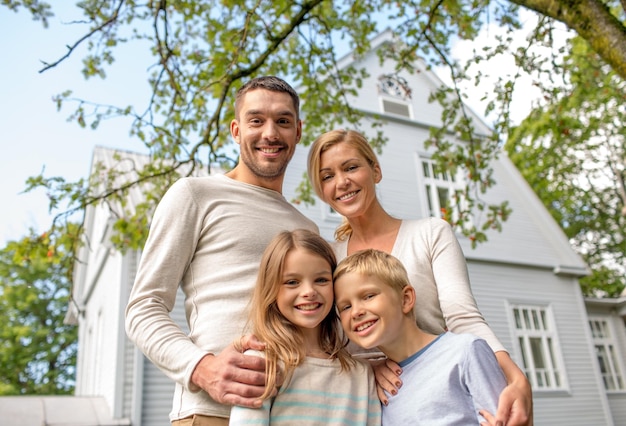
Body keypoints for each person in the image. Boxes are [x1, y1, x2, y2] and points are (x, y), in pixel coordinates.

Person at [125, 76, 319, 425]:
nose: (270, 133)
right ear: (236, 129)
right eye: (256, 120)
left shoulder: (308, 229)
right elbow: (143, 309)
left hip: (297, 412)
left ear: (298, 131)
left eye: (283, 121)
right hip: (213, 412)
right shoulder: (195, 195)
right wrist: (203, 368)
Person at [307, 129, 533, 425]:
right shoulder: (329, 261)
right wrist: (367, 368)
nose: (342, 182)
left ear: (375, 170)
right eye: (327, 176)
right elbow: (324, 345)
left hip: (443, 395)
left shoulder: (430, 234)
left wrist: (516, 379)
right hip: (376, 405)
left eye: (351, 167)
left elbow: (463, 317)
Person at [334, 248, 507, 425]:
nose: (356, 312)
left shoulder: (466, 351)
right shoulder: (375, 384)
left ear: (406, 299)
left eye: (369, 296)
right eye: (345, 307)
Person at [229, 229, 381, 425]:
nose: (309, 291)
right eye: (292, 282)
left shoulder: (362, 374)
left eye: (321, 280)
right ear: (271, 289)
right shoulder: (261, 365)